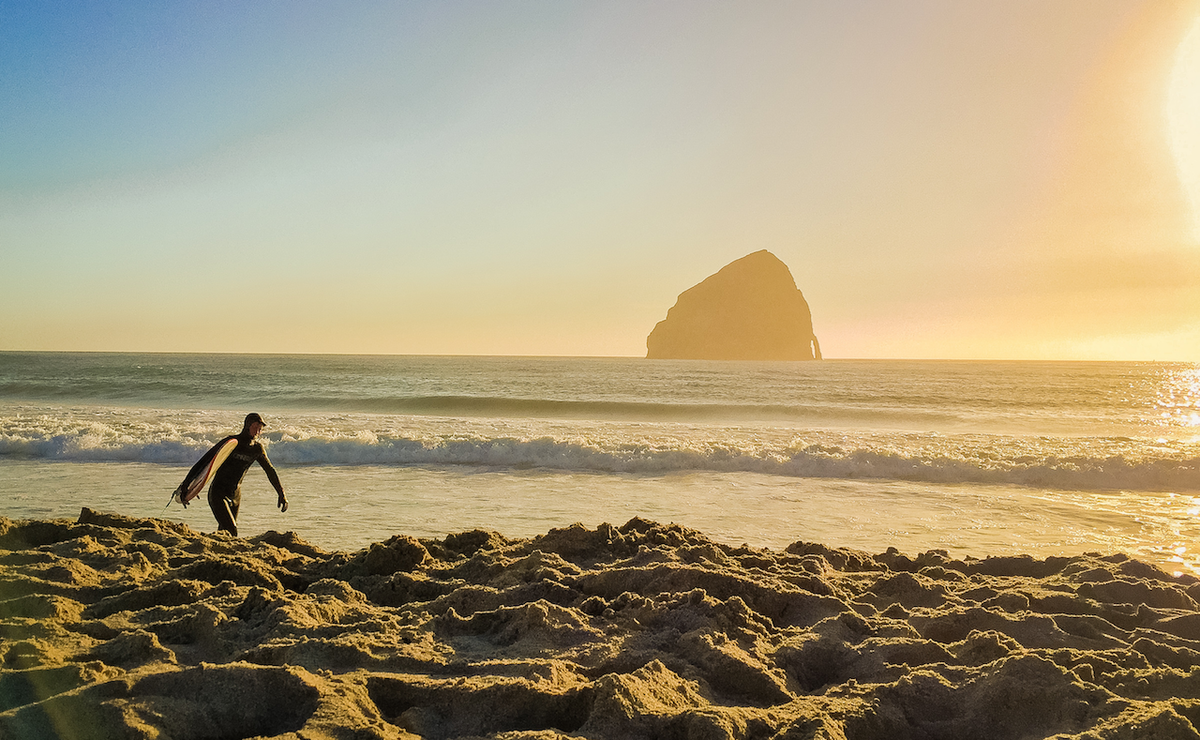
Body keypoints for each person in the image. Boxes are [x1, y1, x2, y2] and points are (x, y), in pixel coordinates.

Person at [177, 412, 288, 536]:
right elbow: (205, 461)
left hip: (235, 495)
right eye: (256, 426)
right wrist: (186, 484)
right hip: (218, 493)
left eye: (260, 428)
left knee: (225, 532)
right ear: (248, 425)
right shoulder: (231, 442)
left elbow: (270, 471)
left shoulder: (257, 449)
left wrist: (281, 493)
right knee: (232, 530)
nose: (258, 430)